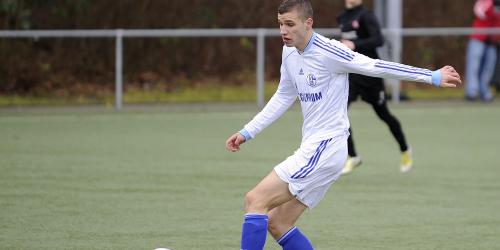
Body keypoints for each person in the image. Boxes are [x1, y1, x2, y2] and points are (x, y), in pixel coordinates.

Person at [225, 1, 461, 249]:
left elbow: (376, 66)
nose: (284, 31)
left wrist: (430, 76)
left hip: (325, 147)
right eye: (281, 24)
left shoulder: (330, 51)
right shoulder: (290, 51)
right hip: (321, 149)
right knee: (278, 223)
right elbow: (284, 96)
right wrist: (247, 131)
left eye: (290, 24)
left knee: (255, 200)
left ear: (308, 23)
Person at [336, 0, 413, 174]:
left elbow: (378, 39)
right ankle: (353, 156)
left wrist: (355, 45)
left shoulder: (367, 16)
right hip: (352, 75)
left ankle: (405, 149)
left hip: (370, 76)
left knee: (384, 115)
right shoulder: (341, 17)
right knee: (339, 113)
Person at [465, 0, 500, 102]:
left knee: (488, 69)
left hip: (492, 41)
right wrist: (493, 9)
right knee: (473, 66)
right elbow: (480, 11)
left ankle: (484, 92)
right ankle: (471, 92)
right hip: (478, 38)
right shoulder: (486, 1)